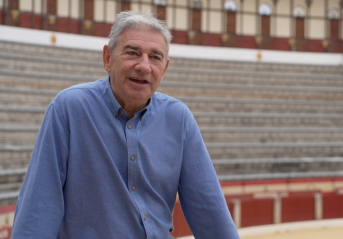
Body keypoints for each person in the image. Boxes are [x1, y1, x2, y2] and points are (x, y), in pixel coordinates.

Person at [12, 11, 239, 239]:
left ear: (165, 68)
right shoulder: (68, 109)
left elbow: (209, 210)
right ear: (108, 59)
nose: (144, 66)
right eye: (133, 53)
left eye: (155, 57)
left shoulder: (179, 119)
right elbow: (39, 208)